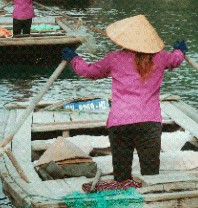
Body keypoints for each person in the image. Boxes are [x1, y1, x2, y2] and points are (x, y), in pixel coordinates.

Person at [61, 15, 186, 184]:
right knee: (150, 174)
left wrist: (75, 59)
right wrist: (180, 50)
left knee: (121, 175)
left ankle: (123, 202)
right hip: (149, 123)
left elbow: (90, 71)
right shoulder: (161, 57)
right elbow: (176, 60)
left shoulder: (114, 58)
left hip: (119, 123)